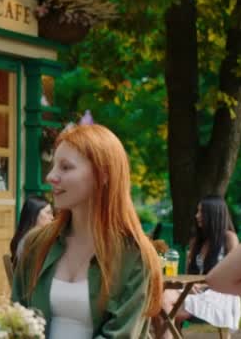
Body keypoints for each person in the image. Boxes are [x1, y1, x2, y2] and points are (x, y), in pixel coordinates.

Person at [12, 124, 162, 338]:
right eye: (53, 166)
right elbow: (16, 319)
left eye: (65, 167)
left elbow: (121, 335)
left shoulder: (135, 256)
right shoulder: (37, 244)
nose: (51, 177)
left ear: (103, 175)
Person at [156, 196, 241, 336]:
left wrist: (200, 285)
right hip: (193, 292)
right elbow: (189, 274)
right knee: (159, 299)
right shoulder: (196, 241)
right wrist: (191, 286)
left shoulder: (229, 238)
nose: (197, 216)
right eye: (198, 211)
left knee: (162, 309)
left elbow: (232, 275)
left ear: (214, 214)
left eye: (201, 212)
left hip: (219, 295)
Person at [10, 195, 52, 262]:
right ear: (34, 214)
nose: (52, 217)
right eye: (48, 213)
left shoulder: (24, 237)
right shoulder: (34, 240)